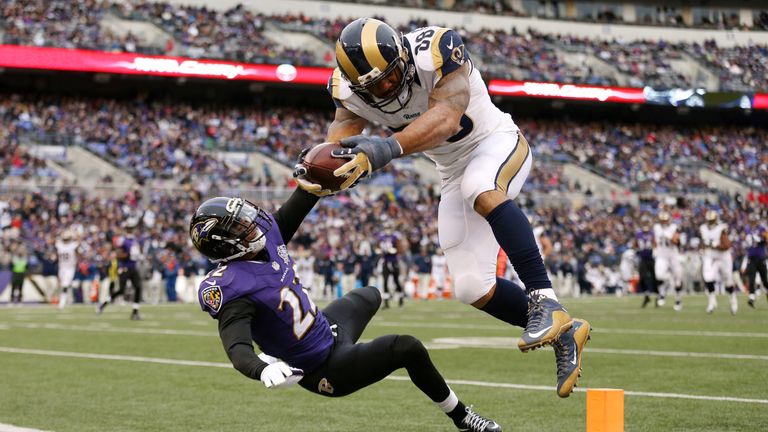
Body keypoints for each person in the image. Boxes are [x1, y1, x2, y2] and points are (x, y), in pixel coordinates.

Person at [294, 17, 590, 397]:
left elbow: (448, 118)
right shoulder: (346, 89)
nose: (386, 88)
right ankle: (566, 333)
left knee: (480, 186)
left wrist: (386, 148)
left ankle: (545, 299)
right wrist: (326, 163)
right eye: (374, 86)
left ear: (402, 56)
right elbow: (341, 136)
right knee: (471, 287)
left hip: (495, 142)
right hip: (451, 171)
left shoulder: (434, 49)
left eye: (389, 76)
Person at [189, 191, 502, 432]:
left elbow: (302, 199)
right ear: (224, 245)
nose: (252, 225)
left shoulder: (266, 239)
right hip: (321, 367)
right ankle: (462, 417)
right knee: (406, 347)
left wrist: (317, 178)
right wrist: (261, 369)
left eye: (246, 218)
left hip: (326, 328)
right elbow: (237, 349)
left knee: (370, 294)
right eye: (240, 226)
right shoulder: (232, 286)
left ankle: (278, 351)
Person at [97, 218, 144, 320]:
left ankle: (135, 312)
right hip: (125, 268)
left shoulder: (134, 240)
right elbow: (118, 254)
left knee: (138, 287)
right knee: (121, 291)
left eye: (132, 228)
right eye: (129, 228)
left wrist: (138, 256)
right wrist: (128, 255)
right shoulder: (122, 240)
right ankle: (104, 303)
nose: (131, 230)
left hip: (133, 267)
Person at [700, 210, 736, 314]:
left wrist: (716, 246)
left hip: (723, 257)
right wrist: (703, 248)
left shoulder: (721, 228)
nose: (710, 222)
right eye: (709, 220)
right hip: (711, 257)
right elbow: (704, 241)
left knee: (728, 281)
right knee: (708, 278)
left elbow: (727, 245)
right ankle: (712, 302)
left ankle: (733, 300)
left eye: (712, 220)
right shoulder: (703, 228)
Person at [653, 211, 683, 310]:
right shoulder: (656, 227)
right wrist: (654, 249)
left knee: (678, 279)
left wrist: (670, 237)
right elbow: (655, 240)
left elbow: (678, 242)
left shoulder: (674, 227)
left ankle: (678, 300)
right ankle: (662, 292)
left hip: (673, 255)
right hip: (662, 255)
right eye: (662, 220)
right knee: (659, 275)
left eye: (665, 220)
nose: (663, 222)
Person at [742, 212, 767, 308]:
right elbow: (745, 239)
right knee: (751, 278)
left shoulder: (762, 228)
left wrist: (760, 240)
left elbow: (766, 240)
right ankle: (751, 298)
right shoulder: (747, 229)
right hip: (751, 258)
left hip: (761, 258)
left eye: (754, 221)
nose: (752, 222)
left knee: (764, 280)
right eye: (751, 221)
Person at [55, 230, 79, 309]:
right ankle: (73, 284)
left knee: (65, 285)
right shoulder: (61, 245)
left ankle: (62, 302)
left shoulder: (68, 245)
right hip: (62, 267)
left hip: (69, 268)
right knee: (63, 284)